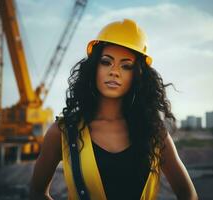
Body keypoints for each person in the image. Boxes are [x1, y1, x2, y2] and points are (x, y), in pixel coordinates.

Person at [30, 19, 198, 200]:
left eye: (126, 66)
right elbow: (37, 193)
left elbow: (188, 195)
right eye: (106, 62)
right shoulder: (62, 131)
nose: (114, 71)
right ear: (94, 67)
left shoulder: (154, 133)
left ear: (137, 75)